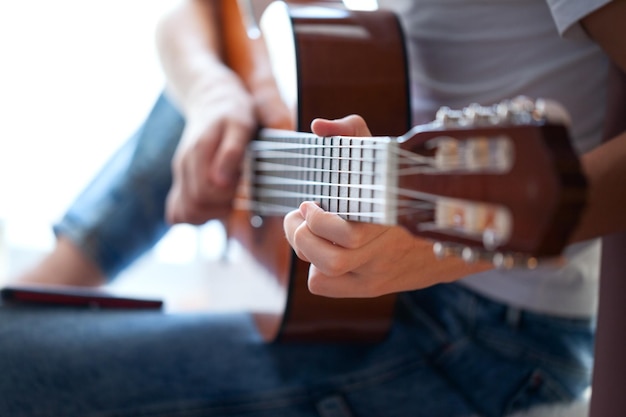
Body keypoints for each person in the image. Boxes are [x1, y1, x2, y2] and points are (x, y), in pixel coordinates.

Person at [2, 0, 626, 416]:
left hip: (482, 334)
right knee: (221, 93)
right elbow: (196, 14)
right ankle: (46, 286)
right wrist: (210, 92)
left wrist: (438, 252)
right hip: (350, 246)